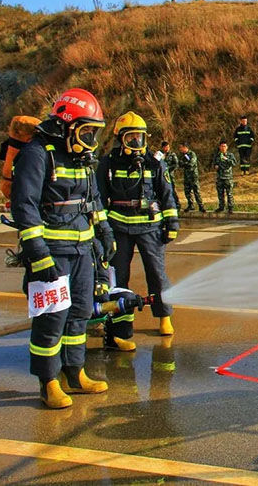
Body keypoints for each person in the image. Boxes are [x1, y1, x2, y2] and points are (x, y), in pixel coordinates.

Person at [11, 88, 114, 408]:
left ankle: (74, 372)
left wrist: (104, 230)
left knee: (80, 313)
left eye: (94, 132)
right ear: (67, 125)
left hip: (83, 251)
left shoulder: (83, 159)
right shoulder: (38, 153)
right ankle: (49, 381)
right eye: (85, 131)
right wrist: (38, 254)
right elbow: (24, 206)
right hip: (52, 252)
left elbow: (93, 200)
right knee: (52, 317)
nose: (90, 140)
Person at [97, 111, 179, 342]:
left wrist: (172, 222)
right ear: (119, 139)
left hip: (150, 228)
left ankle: (164, 316)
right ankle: (119, 327)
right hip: (118, 229)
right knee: (118, 276)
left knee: (157, 274)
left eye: (140, 138)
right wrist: (102, 230)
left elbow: (167, 194)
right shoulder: (108, 164)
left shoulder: (155, 163)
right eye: (130, 138)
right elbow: (100, 198)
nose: (136, 143)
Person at [177, 143, 205, 213]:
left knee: (196, 191)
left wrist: (184, 164)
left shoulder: (192, 154)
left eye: (181, 148)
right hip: (186, 176)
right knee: (187, 192)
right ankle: (190, 205)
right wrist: (184, 164)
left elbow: (191, 164)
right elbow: (179, 164)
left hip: (193, 176)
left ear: (185, 147)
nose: (180, 149)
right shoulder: (183, 156)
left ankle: (201, 206)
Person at [212, 140, 236, 213]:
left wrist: (227, 159)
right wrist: (215, 166)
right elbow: (214, 163)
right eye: (222, 146)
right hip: (220, 177)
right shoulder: (217, 155)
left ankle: (230, 208)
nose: (223, 148)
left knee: (229, 194)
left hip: (228, 177)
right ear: (219, 147)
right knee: (220, 193)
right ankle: (221, 207)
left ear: (227, 147)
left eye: (224, 146)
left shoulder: (230, 155)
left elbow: (234, 163)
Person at [159, 141, 181, 211]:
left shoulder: (172, 154)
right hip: (161, 175)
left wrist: (169, 169)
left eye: (168, 147)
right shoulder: (160, 154)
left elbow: (176, 164)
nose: (167, 148)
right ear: (163, 147)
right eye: (166, 147)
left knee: (172, 189)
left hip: (169, 175)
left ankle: (177, 204)